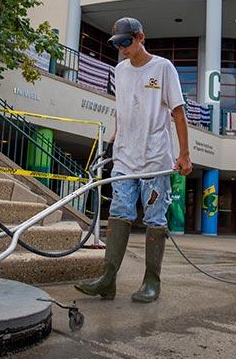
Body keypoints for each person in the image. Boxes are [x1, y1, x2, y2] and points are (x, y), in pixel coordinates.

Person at [75, 17, 192, 303]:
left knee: (154, 217)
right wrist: (113, 140)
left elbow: (178, 113)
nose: (123, 49)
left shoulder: (163, 68)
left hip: (154, 158)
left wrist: (184, 154)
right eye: (118, 44)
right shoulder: (120, 70)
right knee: (119, 213)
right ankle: (108, 279)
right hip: (125, 156)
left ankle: (152, 282)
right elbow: (123, 109)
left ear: (141, 37)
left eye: (127, 42)